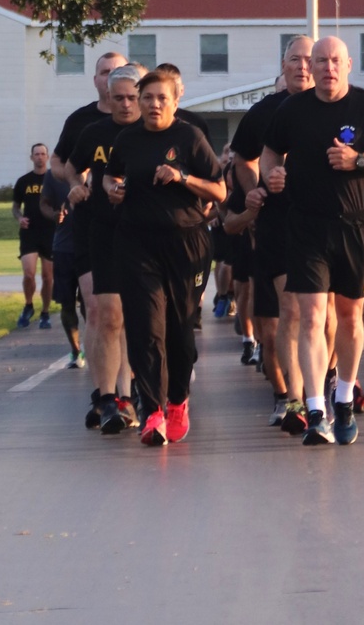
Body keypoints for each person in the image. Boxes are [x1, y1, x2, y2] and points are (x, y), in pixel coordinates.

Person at [261, 36, 364, 445]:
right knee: (310, 317)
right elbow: (270, 153)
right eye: (320, 61)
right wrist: (271, 176)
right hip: (307, 226)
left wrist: (360, 161)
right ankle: (314, 409)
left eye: (335, 61)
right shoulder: (292, 109)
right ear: (310, 66)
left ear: (348, 65)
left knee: (349, 317)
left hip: (356, 226)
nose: (327, 68)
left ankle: (342, 396)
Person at [104, 71, 225, 447]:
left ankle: (177, 402)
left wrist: (182, 176)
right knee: (145, 326)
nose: (154, 104)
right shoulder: (127, 139)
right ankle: (152, 409)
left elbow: (219, 189)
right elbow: (110, 177)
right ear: (138, 102)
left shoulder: (189, 137)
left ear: (175, 102)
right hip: (137, 242)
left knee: (179, 327)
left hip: (185, 243)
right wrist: (114, 190)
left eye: (161, 98)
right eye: (148, 98)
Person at [231, 36, 315, 433]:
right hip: (279, 222)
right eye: (295, 59)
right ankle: (292, 398)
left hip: (330, 220)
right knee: (292, 312)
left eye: (309, 60)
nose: (302, 66)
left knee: (328, 316)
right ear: (283, 66)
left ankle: (325, 382)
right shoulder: (265, 111)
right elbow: (243, 158)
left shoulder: (343, 105)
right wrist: (255, 189)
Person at [67, 64, 146, 433]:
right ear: (108, 99)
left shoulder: (157, 133)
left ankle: (129, 395)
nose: (126, 105)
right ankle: (108, 397)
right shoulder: (94, 133)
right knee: (108, 315)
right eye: (119, 98)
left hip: (147, 233)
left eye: (133, 97)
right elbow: (71, 166)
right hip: (104, 231)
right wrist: (77, 185)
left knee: (134, 317)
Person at [51, 52, 128, 181]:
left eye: (118, 72)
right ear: (95, 80)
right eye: (105, 72)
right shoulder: (78, 120)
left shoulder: (143, 120)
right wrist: (76, 181)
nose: (111, 77)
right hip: (91, 199)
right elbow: (56, 160)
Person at [39, 170, 84, 367]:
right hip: (64, 248)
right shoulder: (54, 176)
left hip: (92, 248)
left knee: (92, 306)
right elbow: (44, 204)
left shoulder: (100, 170)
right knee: (67, 304)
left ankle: (98, 345)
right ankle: (76, 350)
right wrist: (54, 215)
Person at [13, 144, 54, 329]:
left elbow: (66, 201)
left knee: (47, 276)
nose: (39, 157)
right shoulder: (23, 181)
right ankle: (28, 305)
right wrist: (20, 218)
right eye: (36, 154)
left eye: (43, 154)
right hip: (29, 232)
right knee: (28, 274)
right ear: (31, 157)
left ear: (47, 156)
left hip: (51, 232)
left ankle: (45, 313)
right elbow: (15, 207)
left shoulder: (54, 179)